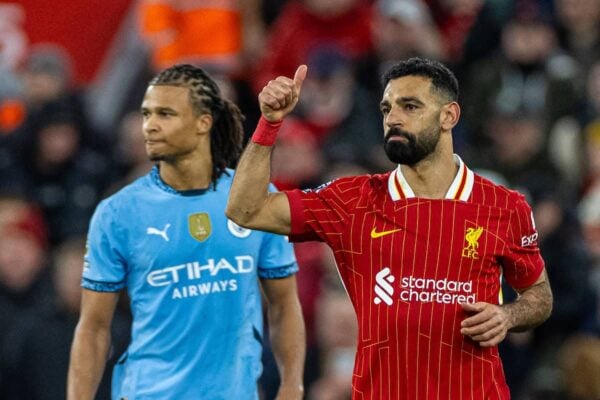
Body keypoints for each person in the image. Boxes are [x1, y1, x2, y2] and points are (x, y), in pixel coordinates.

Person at [226, 57, 553, 399]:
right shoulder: (352, 201)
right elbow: (245, 209)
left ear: (449, 116)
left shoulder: (505, 206)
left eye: (409, 106)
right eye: (386, 108)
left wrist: (508, 315)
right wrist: (269, 124)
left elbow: (539, 297)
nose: (393, 118)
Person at [67, 64, 306, 399]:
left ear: (203, 122)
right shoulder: (118, 212)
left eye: (165, 114)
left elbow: (283, 303)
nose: (149, 126)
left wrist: (291, 386)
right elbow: (93, 328)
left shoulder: (254, 199)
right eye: (146, 114)